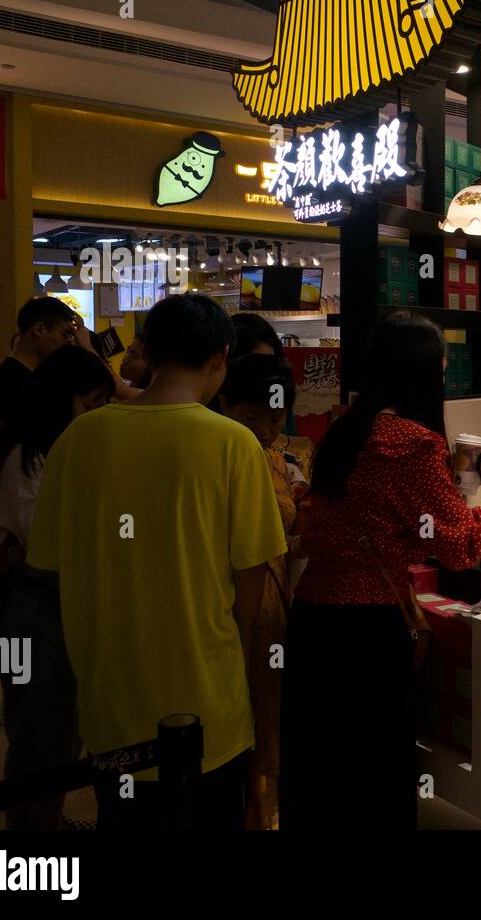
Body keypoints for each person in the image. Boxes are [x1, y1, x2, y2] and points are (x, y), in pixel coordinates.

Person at [27, 294, 287, 830]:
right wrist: (228, 661)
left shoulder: (78, 438)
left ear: (147, 350)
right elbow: (251, 580)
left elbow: (50, 563)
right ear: (221, 357)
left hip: (109, 702)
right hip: (206, 702)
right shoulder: (235, 445)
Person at [281, 310, 481, 831]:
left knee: (320, 769)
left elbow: (357, 521)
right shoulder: (411, 443)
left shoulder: (347, 430)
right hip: (367, 632)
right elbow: (461, 546)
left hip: (313, 621)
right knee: (372, 776)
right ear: (425, 372)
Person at [0, 346, 114, 829]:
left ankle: (44, 820)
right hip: (41, 609)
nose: (96, 414)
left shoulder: (54, 447)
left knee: (63, 730)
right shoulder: (29, 456)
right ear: (61, 399)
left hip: (57, 605)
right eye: (89, 402)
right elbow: (44, 543)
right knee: (41, 735)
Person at [216, 353, 301, 830]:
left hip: (270, 598)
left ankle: (260, 812)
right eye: (252, 418)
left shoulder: (268, 452)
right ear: (224, 401)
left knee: (265, 715)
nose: (265, 429)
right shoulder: (223, 451)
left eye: (274, 418)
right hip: (235, 599)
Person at [0, 297, 79, 423]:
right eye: (66, 334)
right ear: (39, 330)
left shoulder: (37, 376)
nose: (70, 342)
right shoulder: (9, 381)